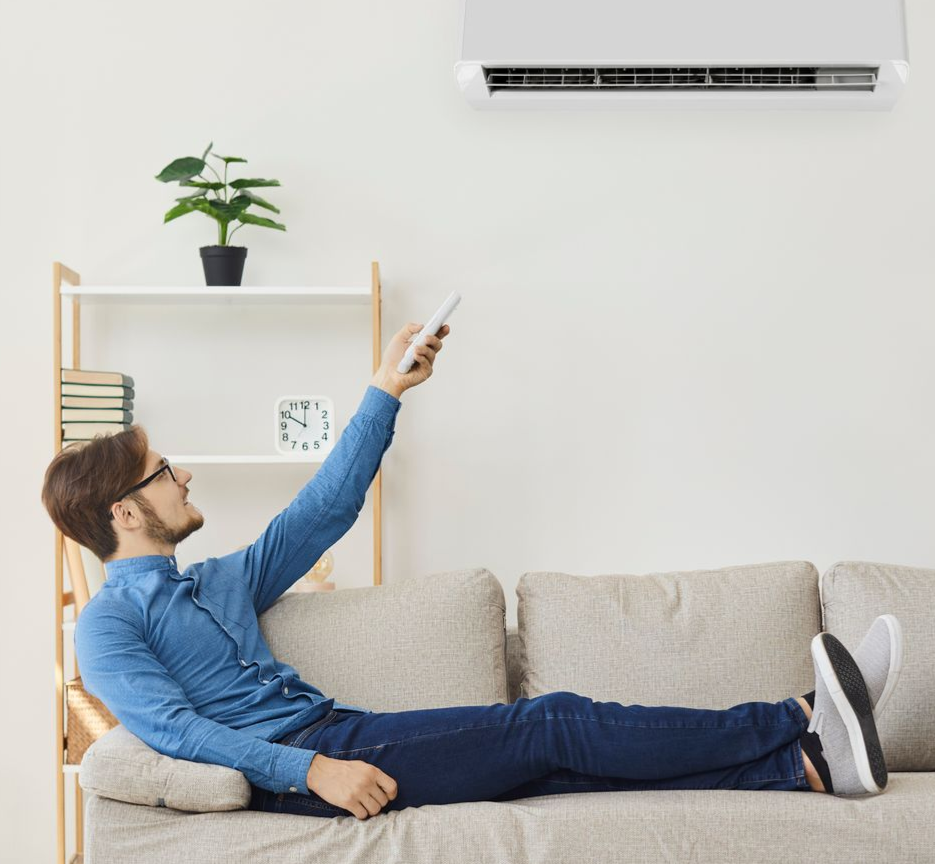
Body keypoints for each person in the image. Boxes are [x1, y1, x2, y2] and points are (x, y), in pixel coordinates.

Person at [41, 318, 900, 823]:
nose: (185, 475)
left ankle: (803, 768)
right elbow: (175, 733)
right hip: (308, 763)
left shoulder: (217, 581)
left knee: (554, 769)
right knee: (552, 722)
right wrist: (311, 772)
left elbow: (324, 510)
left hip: (339, 730)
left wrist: (386, 389)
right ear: (124, 512)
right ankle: (797, 714)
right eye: (164, 472)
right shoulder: (109, 625)